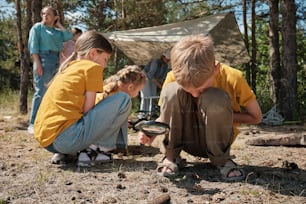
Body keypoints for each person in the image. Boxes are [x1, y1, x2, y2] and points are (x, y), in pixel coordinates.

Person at [138, 35, 262, 181]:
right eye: (188, 90)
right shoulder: (173, 77)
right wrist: (152, 131)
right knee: (171, 91)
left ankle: (222, 160)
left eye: (201, 89)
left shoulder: (233, 77)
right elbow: (167, 116)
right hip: (185, 140)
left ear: (216, 69)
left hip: (217, 143)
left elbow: (256, 116)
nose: (195, 94)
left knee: (214, 97)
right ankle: (171, 156)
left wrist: (219, 115)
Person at [34, 30, 131, 167]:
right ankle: (96, 152)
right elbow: (88, 109)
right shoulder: (92, 67)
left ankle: (67, 153)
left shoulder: (68, 68)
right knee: (123, 99)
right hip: (66, 140)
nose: (105, 65)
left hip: (47, 142)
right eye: (105, 59)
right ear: (93, 53)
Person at [27, 6, 73, 134]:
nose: (45, 16)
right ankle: (33, 123)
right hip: (43, 59)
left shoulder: (57, 32)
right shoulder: (38, 28)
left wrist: (58, 24)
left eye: (48, 14)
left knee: (51, 93)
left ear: (55, 17)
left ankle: (45, 122)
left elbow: (69, 36)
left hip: (56, 61)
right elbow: (33, 47)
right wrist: (38, 64)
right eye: (43, 14)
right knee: (40, 92)